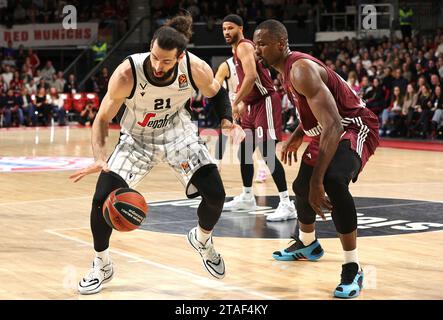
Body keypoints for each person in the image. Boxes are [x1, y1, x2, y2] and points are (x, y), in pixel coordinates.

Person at [69, 14, 245, 295]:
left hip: (178, 134)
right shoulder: (128, 73)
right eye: (155, 57)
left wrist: (225, 120)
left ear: (180, 56)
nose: (158, 65)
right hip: (136, 139)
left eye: (166, 61)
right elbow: (102, 117)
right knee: (101, 200)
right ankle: (101, 263)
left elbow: (216, 92)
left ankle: (202, 239)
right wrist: (100, 157)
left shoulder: (194, 67)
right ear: (150, 47)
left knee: (216, 194)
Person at [253, 19, 380, 298]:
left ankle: (352, 267)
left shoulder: (299, 69)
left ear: (281, 44)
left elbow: (335, 122)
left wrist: (318, 181)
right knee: (301, 186)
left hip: (354, 127)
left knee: (333, 181)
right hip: (329, 127)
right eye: (255, 43)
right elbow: (318, 109)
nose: (256, 49)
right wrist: (300, 132)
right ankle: (308, 244)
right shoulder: (288, 70)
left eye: (262, 44)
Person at [221, 14, 296, 222]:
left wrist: (235, 102)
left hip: (265, 101)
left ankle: (286, 203)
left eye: (230, 28)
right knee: (244, 152)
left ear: (240, 28)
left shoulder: (244, 46)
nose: (227, 32)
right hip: (252, 104)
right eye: (224, 29)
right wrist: (243, 101)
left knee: (267, 153)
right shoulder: (236, 50)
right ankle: (247, 196)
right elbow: (247, 80)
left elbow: (253, 76)